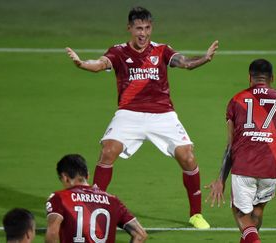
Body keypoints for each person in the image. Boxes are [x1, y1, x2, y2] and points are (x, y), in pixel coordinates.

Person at [65, 6, 217, 229]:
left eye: (147, 28)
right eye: (138, 28)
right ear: (129, 28)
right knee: (108, 150)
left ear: (151, 28)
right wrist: (82, 64)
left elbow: (184, 63)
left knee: (188, 158)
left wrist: (205, 58)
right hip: (129, 113)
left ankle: (196, 214)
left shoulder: (162, 50)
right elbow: (99, 65)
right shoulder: (117, 52)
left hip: (162, 114)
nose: (143, 33)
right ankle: (93, 209)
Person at [205, 59, 276, 243]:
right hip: (272, 168)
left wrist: (221, 179)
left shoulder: (236, 100)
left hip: (245, 165)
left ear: (249, 77)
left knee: (241, 213)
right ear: (272, 78)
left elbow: (230, 144)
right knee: (257, 211)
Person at [45, 154, 147, 243]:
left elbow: (53, 233)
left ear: (64, 177)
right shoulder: (113, 201)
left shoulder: (59, 197)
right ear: (87, 175)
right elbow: (140, 235)